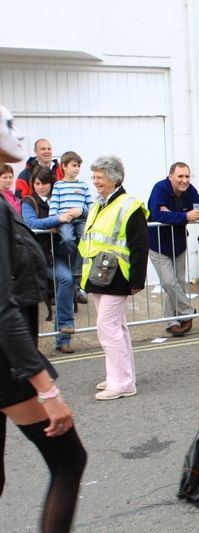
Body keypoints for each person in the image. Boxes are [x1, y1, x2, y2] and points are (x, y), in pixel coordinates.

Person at [0, 102, 87, 533]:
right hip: (7, 364)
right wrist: (46, 389)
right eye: (9, 125)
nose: (17, 133)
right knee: (69, 460)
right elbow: (3, 309)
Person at [79, 155, 149, 401]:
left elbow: (140, 245)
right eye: (94, 176)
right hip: (99, 274)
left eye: (99, 177)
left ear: (114, 178)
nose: (95, 181)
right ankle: (118, 376)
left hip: (117, 275)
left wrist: (137, 280)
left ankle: (123, 383)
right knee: (115, 327)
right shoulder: (99, 204)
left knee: (108, 328)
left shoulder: (129, 206)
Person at [20, 167, 81, 353]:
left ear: (51, 183)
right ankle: (64, 332)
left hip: (62, 254)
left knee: (69, 282)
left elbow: (77, 213)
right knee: (66, 280)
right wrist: (58, 219)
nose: (41, 187)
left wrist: (74, 213)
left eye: (44, 183)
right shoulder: (29, 202)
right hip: (41, 257)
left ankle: (63, 339)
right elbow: (32, 223)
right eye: (37, 183)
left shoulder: (60, 197)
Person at [147, 162, 199, 337]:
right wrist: (185, 215)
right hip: (158, 245)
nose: (184, 180)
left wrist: (171, 214)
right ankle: (188, 311)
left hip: (179, 244)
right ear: (170, 176)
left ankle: (172, 321)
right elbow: (157, 214)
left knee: (177, 284)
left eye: (187, 176)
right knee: (169, 283)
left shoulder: (190, 190)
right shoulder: (159, 189)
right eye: (180, 176)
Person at [49, 151, 92, 264]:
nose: (77, 168)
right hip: (65, 221)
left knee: (86, 239)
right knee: (68, 239)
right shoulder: (58, 185)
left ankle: (77, 268)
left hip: (81, 220)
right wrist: (53, 222)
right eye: (74, 165)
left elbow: (91, 206)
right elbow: (54, 205)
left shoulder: (83, 185)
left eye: (79, 166)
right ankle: (76, 264)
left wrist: (85, 213)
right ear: (64, 166)